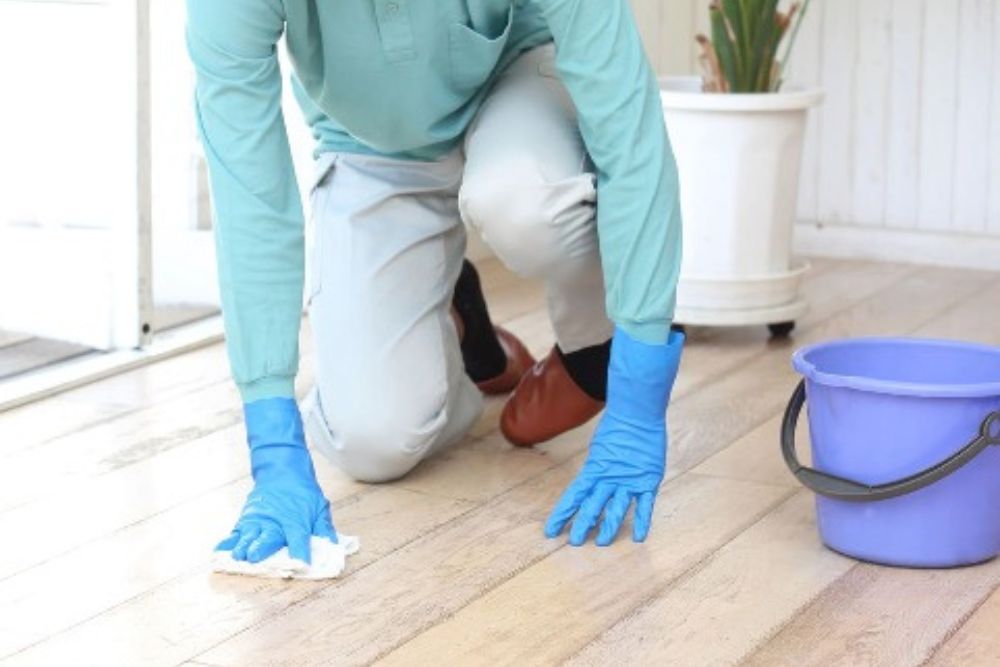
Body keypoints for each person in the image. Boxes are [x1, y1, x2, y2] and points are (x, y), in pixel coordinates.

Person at [186, 0, 684, 564]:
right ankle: (461, 331)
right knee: (370, 441)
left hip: (519, 79)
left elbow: (629, 132)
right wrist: (273, 446)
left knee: (525, 205)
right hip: (370, 141)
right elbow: (250, 196)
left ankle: (593, 350)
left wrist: (638, 397)